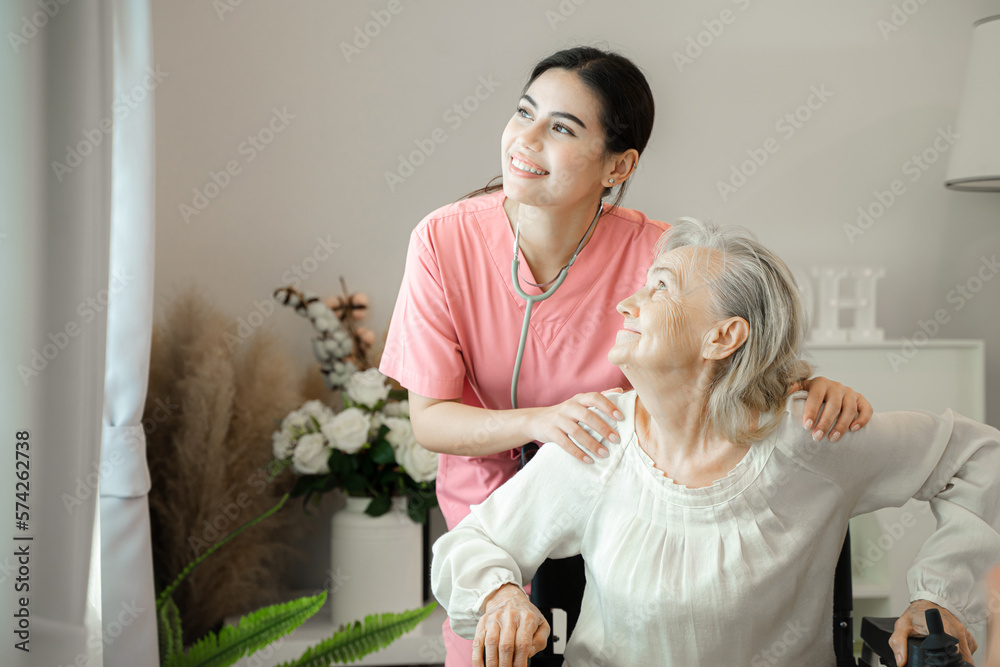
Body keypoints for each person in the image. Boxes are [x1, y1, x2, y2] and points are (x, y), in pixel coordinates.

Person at [379, 47, 873, 666]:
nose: (525, 139)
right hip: (489, 509)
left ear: (620, 165)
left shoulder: (659, 254)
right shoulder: (441, 240)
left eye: (561, 127)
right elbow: (431, 420)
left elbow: (734, 343)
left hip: (628, 512)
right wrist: (539, 422)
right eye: (523, 113)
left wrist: (815, 385)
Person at [431, 219, 1000, 667]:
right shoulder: (600, 439)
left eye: (660, 288)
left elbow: (979, 459)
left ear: (723, 336)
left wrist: (942, 598)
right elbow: (472, 543)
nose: (628, 304)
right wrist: (500, 597)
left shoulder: (809, 436)